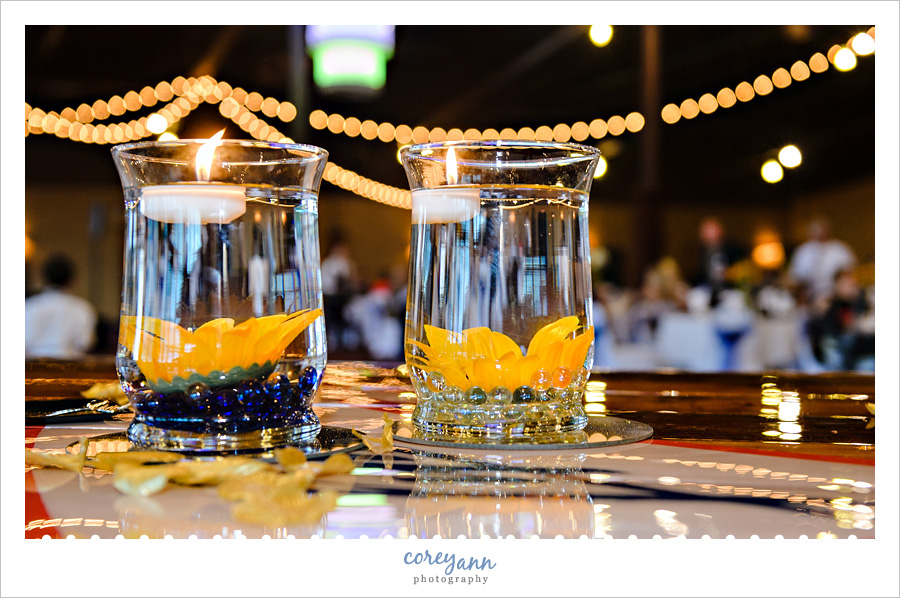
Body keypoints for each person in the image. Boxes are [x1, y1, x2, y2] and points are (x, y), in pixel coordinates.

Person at [25, 254, 98, 359]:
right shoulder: (82, 308)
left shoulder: (30, 306)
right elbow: (85, 342)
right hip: (71, 368)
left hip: (33, 368)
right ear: (71, 279)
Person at [788, 215, 856, 303]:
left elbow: (848, 272)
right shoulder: (803, 251)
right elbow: (795, 276)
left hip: (838, 296)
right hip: (810, 297)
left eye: (822, 229)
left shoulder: (839, 248)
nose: (819, 233)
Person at [692, 216, 745, 307]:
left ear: (720, 232)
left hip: (730, 292)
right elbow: (696, 275)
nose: (710, 237)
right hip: (707, 293)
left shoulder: (733, 249)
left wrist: (730, 273)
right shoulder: (698, 252)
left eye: (712, 231)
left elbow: (744, 271)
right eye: (706, 232)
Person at [320, 232, 358, 354]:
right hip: (331, 300)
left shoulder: (348, 263)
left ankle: (346, 342)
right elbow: (325, 285)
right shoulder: (328, 263)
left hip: (345, 299)